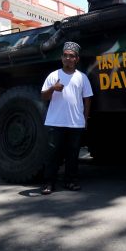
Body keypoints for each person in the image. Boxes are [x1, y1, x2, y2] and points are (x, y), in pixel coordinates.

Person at [39, 42, 93, 195]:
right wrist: (53, 88)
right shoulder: (53, 76)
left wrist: (85, 119)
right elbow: (43, 96)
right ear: (61, 58)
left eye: (71, 56)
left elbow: (87, 99)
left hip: (75, 123)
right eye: (65, 56)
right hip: (55, 122)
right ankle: (48, 183)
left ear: (76, 59)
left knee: (73, 155)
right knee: (52, 155)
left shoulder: (82, 78)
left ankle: (71, 181)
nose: (68, 58)